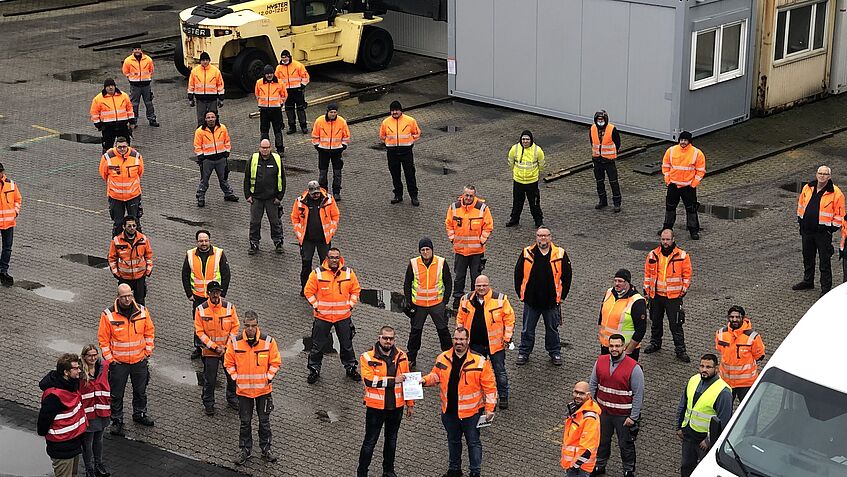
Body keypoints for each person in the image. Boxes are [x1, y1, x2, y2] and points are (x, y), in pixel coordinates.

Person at [420, 327, 497, 477]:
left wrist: (490, 409)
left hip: (471, 413)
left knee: (473, 443)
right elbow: (436, 376)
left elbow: (490, 388)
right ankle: (454, 470)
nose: (458, 342)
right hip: (449, 412)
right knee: (453, 441)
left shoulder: (480, 361)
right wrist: (423, 380)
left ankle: (475, 472)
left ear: (468, 341)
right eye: (456, 339)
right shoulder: (443, 358)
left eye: (462, 339)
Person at [224, 311, 281, 465]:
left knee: (264, 422)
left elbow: (275, 363)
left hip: (263, 391)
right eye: (248, 326)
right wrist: (236, 378)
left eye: (253, 326)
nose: (250, 329)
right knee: (245, 422)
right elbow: (228, 363)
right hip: (243, 392)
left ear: (257, 326)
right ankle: (245, 449)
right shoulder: (235, 342)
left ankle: (266, 448)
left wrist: (268, 378)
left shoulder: (268, 342)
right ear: (244, 325)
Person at [98, 283, 155, 436]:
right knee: (116, 394)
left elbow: (149, 332)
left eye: (129, 295)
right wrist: (110, 359)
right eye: (124, 296)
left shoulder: (142, 311)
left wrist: (147, 352)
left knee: (140, 391)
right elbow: (103, 340)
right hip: (119, 363)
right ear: (118, 297)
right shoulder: (108, 315)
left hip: (139, 361)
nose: (127, 299)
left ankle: (140, 414)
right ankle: (117, 420)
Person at [357, 325, 414, 477]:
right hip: (376, 408)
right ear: (379, 338)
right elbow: (369, 381)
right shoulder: (367, 357)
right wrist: (393, 381)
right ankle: (362, 472)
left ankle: (388, 471)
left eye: (391, 338)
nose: (388, 341)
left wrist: (410, 404)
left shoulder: (401, 356)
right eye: (385, 338)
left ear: (394, 339)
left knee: (391, 441)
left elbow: (407, 380)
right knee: (370, 442)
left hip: (396, 407)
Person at [455, 275, 514, 410]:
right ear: (474, 286)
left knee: (500, 372)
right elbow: (460, 318)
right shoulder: (465, 300)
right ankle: (480, 398)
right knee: (476, 372)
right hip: (475, 344)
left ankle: (503, 396)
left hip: (496, 344)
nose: (481, 288)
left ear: (488, 285)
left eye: (484, 285)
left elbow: (509, 319)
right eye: (478, 286)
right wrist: (460, 335)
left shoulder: (500, 299)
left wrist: (507, 338)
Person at [515, 226, 571, 366]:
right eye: (540, 235)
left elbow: (567, 277)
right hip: (531, 301)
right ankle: (524, 352)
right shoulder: (527, 253)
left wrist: (562, 296)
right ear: (536, 237)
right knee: (527, 329)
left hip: (551, 302)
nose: (543, 238)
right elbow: (518, 274)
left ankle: (555, 352)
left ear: (550, 237)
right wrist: (521, 294)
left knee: (552, 329)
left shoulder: (560, 254)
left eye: (545, 235)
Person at [304, 247, 362, 384]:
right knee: (317, 346)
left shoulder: (348, 273)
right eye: (332, 257)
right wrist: (317, 306)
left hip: (343, 316)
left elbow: (356, 290)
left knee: (347, 345)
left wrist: (350, 305)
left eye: (336, 257)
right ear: (327, 259)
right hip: (322, 317)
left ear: (340, 258)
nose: (334, 260)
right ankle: (314, 369)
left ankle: (351, 368)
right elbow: (308, 292)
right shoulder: (317, 274)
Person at [588, 334, 643, 477]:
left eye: (617, 346)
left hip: (623, 416)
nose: (614, 349)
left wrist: (633, 417)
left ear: (624, 347)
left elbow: (638, 394)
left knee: (625, 445)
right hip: (603, 413)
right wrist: (592, 407)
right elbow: (593, 385)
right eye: (611, 346)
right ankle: (600, 465)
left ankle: (628, 469)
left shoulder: (634, 368)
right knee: (602, 442)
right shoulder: (600, 361)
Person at [676, 354, 732, 477]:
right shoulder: (693, 380)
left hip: (704, 441)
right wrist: (679, 426)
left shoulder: (723, 391)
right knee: (686, 467)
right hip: (688, 434)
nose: (704, 370)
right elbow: (683, 404)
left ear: (716, 369)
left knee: (705, 472)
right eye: (701, 366)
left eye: (708, 367)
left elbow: (724, 421)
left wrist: (708, 440)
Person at [793, 165, 845, 295]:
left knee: (824, 261)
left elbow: (840, 215)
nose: (822, 176)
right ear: (816, 174)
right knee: (807, 257)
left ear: (829, 176)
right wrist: (801, 221)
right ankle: (808, 281)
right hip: (807, 230)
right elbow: (801, 205)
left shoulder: (836, 193)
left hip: (823, 233)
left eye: (825, 174)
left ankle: (826, 288)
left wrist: (830, 229)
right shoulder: (807, 188)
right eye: (820, 173)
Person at [643, 229, 693, 362]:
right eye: (663, 239)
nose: (665, 242)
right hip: (656, 296)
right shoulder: (652, 255)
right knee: (655, 322)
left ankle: (680, 350)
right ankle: (655, 343)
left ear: (673, 239)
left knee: (676, 325)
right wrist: (647, 290)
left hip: (674, 297)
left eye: (667, 240)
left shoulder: (682, 255)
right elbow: (647, 274)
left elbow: (687, 275)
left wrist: (683, 290)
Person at [403, 237, 453, 369]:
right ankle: (411, 357)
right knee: (415, 332)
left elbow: (448, 282)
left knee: (443, 331)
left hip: (436, 304)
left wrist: (445, 302)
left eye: (427, 249)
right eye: (423, 250)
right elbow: (407, 283)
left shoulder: (441, 262)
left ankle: (449, 356)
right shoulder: (413, 263)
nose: (425, 252)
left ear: (432, 250)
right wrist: (409, 302)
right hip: (419, 305)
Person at [182, 229, 231, 359]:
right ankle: (199, 347)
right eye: (201, 241)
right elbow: (185, 274)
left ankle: (218, 346)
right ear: (196, 242)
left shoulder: (219, 253)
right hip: (198, 296)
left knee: (216, 323)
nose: (204, 243)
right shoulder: (190, 254)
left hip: (214, 296)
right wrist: (189, 293)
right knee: (199, 323)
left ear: (209, 241)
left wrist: (222, 293)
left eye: (206, 240)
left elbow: (226, 274)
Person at [37, 353, 87, 477]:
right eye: (75, 368)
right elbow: (42, 424)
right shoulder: (53, 397)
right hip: (62, 447)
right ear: (66, 372)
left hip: (73, 441)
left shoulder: (71, 384)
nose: (79, 371)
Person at [195, 281, 240, 415]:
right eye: (213, 292)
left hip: (227, 350)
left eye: (217, 292)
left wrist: (227, 346)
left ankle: (232, 397)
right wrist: (215, 347)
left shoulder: (229, 307)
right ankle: (208, 402)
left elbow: (235, 327)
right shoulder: (201, 310)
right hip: (210, 351)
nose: (215, 294)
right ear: (208, 293)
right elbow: (200, 332)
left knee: (231, 376)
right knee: (210, 378)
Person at [445, 185, 494, 308]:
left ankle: (475, 299)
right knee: (459, 277)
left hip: (476, 252)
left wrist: (481, 241)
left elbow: (488, 226)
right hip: (460, 251)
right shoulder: (454, 208)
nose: (468, 198)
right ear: (463, 195)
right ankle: (457, 299)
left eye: (471, 195)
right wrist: (452, 239)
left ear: (474, 195)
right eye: (466, 195)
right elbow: (449, 224)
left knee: (476, 278)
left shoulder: (482, 208)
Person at [291, 180, 339, 293]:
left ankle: (327, 287)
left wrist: (331, 231)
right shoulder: (300, 202)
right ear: (309, 192)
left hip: (323, 239)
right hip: (307, 240)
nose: (316, 195)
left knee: (326, 265)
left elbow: (335, 216)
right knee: (306, 265)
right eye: (313, 194)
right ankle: (306, 288)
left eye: (317, 193)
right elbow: (295, 218)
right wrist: (299, 233)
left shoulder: (328, 200)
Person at [714, 305, 765, 403]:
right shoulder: (720, 334)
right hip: (726, 381)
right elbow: (720, 349)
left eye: (737, 317)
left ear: (743, 318)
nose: (734, 320)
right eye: (732, 317)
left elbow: (759, 355)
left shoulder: (752, 337)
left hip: (746, 383)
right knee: (725, 409)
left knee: (748, 409)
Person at [661, 131, 706, 240]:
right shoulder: (671, 151)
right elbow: (665, 166)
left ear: (689, 141)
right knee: (670, 208)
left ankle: (693, 230)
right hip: (673, 186)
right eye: (681, 140)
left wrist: (693, 184)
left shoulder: (697, 153)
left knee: (691, 209)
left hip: (688, 187)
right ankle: (667, 229)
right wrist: (668, 180)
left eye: (685, 140)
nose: (683, 142)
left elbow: (701, 171)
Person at [245, 139, 286, 255]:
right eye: (263, 148)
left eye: (267, 147)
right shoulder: (253, 160)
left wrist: (279, 197)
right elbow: (247, 177)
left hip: (272, 198)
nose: (265, 150)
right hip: (256, 198)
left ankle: (278, 242)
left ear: (270, 148)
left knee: (275, 222)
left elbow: (282, 179)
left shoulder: (277, 160)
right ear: (259, 148)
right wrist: (247, 195)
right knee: (254, 222)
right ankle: (254, 243)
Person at [598, 269, 647, 361]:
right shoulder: (609, 293)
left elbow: (641, 330)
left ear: (627, 282)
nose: (617, 284)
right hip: (607, 347)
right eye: (615, 280)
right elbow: (601, 316)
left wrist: (628, 351)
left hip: (625, 351)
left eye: (620, 281)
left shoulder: (637, 301)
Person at [99, 137, 144, 237]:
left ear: (128, 146)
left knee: (135, 223)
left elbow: (140, 172)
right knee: (118, 224)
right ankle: (116, 248)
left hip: (133, 196)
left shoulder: (136, 156)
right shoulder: (108, 157)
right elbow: (104, 174)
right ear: (116, 146)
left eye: (124, 147)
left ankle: (139, 247)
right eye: (119, 147)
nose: (122, 149)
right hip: (115, 197)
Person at [380, 100, 421, 206]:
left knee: (410, 175)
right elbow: (382, 135)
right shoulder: (386, 122)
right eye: (392, 110)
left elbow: (416, 133)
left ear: (401, 110)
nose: (394, 112)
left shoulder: (410, 120)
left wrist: (409, 142)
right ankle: (398, 195)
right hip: (392, 153)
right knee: (395, 175)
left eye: (396, 110)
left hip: (406, 152)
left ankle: (414, 196)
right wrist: (389, 143)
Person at [194, 110, 238, 207]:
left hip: (221, 159)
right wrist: (200, 155)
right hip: (207, 160)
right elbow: (197, 145)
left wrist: (227, 151)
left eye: (212, 117)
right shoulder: (200, 131)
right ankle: (200, 196)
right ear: (205, 119)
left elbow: (227, 140)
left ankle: (228, 194)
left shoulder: (222, 128)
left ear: (216, 118)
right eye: (208, 117)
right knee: (204, 180)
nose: (210, 119)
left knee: (223, 179)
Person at [79, 344, 111, 477]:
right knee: (88, 441)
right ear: (84, 357)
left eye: (94, 355)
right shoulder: (80, 373)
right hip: (88, 412)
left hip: (102, 409)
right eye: (89, 355)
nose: (92, 358)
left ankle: (99, 464)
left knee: (99, 439)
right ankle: (89, 469)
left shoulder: (104, 367)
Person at [107, 215, 153, 305]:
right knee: (124, 302)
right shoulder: (116, 241)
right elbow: (112, 258)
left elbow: (149, 255)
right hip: (124, 277)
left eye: (134, 226)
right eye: (129, 226)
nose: (132, 228)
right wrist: (116, 273)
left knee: (140, 302)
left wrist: (148, 271)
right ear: (124, 227)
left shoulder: (143, 239)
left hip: (140, 277)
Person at [561, 381, 602, 477]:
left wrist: (574, 466)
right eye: (576, 392)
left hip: (580, 468)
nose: (578, 396)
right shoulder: (577, 410)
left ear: (588, 395)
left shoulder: (589, 418)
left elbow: (587, 449)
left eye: (582, 393)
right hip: (573, 464)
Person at [505, 130, 545, 227]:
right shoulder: (514, 149)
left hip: (532, 182)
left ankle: (538, 221)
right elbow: (510, 162)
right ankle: (514, 219)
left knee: (534, 203)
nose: (525, 141)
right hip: (518, 181)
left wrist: (535, 175)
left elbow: (542, 165)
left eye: (527, 139)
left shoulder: (537, 150)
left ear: (531, 140)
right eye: (523, 139)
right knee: (517, 202)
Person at [312, 103, 350, 201]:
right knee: (322, 173)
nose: (333, 114)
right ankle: (323, 192)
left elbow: (346, 136)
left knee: (337, 173)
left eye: (334, 112)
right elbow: (315, 135)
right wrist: (317, 146)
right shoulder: (319, 121)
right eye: (331, 112)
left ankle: (336, 192)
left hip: (337, 151)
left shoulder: (341, 122)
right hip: (323, 151)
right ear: (327, 112)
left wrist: (343, 146)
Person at [90, 78, 134, 153]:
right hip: (108, 128)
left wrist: (132, 122)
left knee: (125, 147)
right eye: (108, 86)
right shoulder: (98, 99)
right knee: (108, 148)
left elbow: (129, 109)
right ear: (105, 88)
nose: (110, 87)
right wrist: (98, 125)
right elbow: (94, 112)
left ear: (115, 86)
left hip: (122, 126)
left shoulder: (124, 96)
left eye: (112, 86)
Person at [590, 110, 622, 212]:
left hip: (609, 161)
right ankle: (602, 201)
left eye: (602, 120)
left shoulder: (612, 129)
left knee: (613, 182)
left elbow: (617, 143)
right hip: (597, 160)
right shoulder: (593, 128)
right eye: (598, 120)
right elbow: (592, 141)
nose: (600, 122)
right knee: (599, 182)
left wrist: (611, 153)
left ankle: (617, 203)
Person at [122, 44, 159, 127]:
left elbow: (151, 70)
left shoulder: (148, 59)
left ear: (141, 50)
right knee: (134, 104)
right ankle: (133, 121)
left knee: (149, 103)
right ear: (133, 51)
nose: (137, 51)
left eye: (138, 49)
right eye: (135, 49)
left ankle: (152, 119)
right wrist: (132, 78)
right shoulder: (128, 61)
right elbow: (125, 71)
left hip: (146, 85)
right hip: (135, 86)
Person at [275, 49, 310, 134]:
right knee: (289, 109)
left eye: (285, 57)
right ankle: (292, 127)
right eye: (282, 57)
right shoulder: (279, 68)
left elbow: (305, 76)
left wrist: (302, 85)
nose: (284, 59)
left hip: (297, 90)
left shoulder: (298, 65)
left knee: (300, 108)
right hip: (286, 91)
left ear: (289, 57)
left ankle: (303, 126)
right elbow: (277, 80)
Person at [255, 65, 287, 154]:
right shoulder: (259, 83)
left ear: (273, 73)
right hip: (264, 110)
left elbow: (284, 95)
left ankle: (280, 149)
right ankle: (265, 148)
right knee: (264, 131)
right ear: (264, 74)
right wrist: (262, 104)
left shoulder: (280, 83)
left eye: (271, 73)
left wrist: (280, 103)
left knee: (278, 130)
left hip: (276, 110)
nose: (269, 75)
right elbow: (257, 94)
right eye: (267, 74)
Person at [188, 51, 224, 126]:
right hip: (200, 100)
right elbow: (191, 85)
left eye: (206, 60)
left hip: (212, 99)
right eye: (203, 60)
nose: (205, 62)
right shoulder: (194, 71)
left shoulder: (215, 71)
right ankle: (201, 134)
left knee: (213, 118)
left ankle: (215, 132)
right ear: (200, 61)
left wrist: (221, 98)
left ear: (209, 61)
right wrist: (190, 98)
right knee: (201, 119)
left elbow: (220, 85)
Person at [0, 162, 22, 287]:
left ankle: (3, 270)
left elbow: (18, 199)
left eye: (1, 172)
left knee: (7, 249)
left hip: (9, 222)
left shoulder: (11, 184)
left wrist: (15, 212)